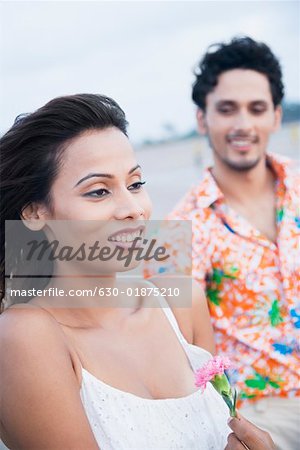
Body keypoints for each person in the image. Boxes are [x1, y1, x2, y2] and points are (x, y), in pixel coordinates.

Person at [0, 93, 246, 450]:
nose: (133, 209)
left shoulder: (182, 304)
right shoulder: (25, 337)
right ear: (36, 214)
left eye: (135, 184)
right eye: (99, 191)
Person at [146, 37, 299, 449]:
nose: (243, 124)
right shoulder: (178, 228)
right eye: (227, 109)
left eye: (257, 108)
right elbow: (175, 347)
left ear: (276, 116)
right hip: (264, 407)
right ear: (202, 118)